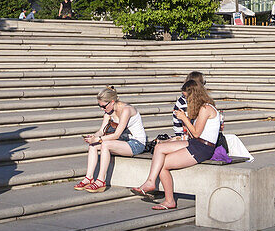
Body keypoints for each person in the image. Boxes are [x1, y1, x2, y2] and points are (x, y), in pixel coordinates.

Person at [131, 79, 222, 210]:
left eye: (186, 97)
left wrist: (184, 118)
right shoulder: (202, 108)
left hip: (203, 147)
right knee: (159, 147)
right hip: (195, 143)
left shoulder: (206, 108)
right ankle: (150, 182)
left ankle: (169, 201)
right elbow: (194, 135)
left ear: (193, 95)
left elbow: (196, 133)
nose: (186, 100)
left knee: (162, 165)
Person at [73, 87, 147, 193]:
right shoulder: (109, 111)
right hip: (123, 142)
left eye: (103, 106)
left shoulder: (126, 110)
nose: (102, 109)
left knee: (105, 145)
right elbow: (101, 131)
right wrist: (93, 137)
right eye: (99, 106)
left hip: (136, 144)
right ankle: (88, 177)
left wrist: (98, 139)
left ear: (112, 102)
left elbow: (117, 135)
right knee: (93, 145)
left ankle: (100, 181)